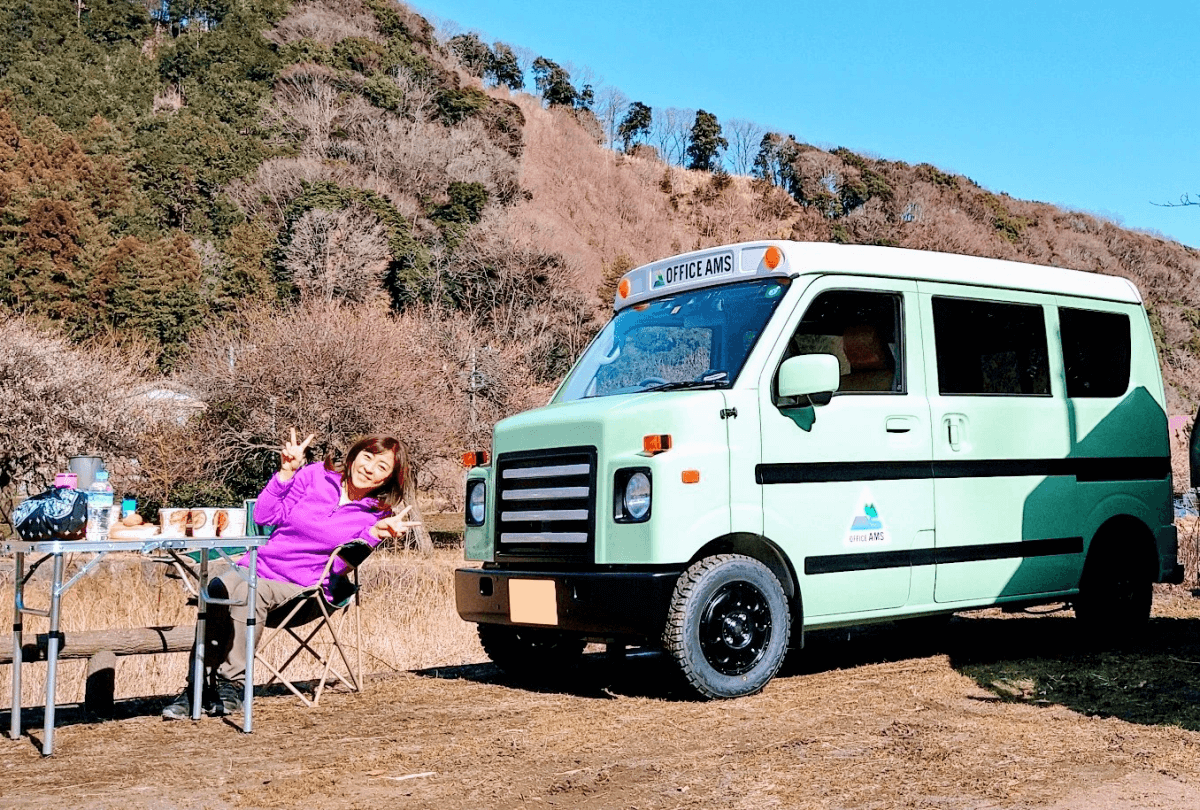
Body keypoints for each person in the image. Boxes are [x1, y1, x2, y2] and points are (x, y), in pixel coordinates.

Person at [162, 430, 420, 720]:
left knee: (249, 592)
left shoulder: (378, 515)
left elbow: (337, 568)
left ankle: (232, 684)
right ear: (354, 456)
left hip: (304, 592)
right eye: (367, 457)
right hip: (256, 569)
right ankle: (197, 687)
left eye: (382, 467)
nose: (370, 468)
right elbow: (264, 517)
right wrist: (286, 472)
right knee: (217, 587)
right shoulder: (314, 476)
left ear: (387, 479)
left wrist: (373, 536)